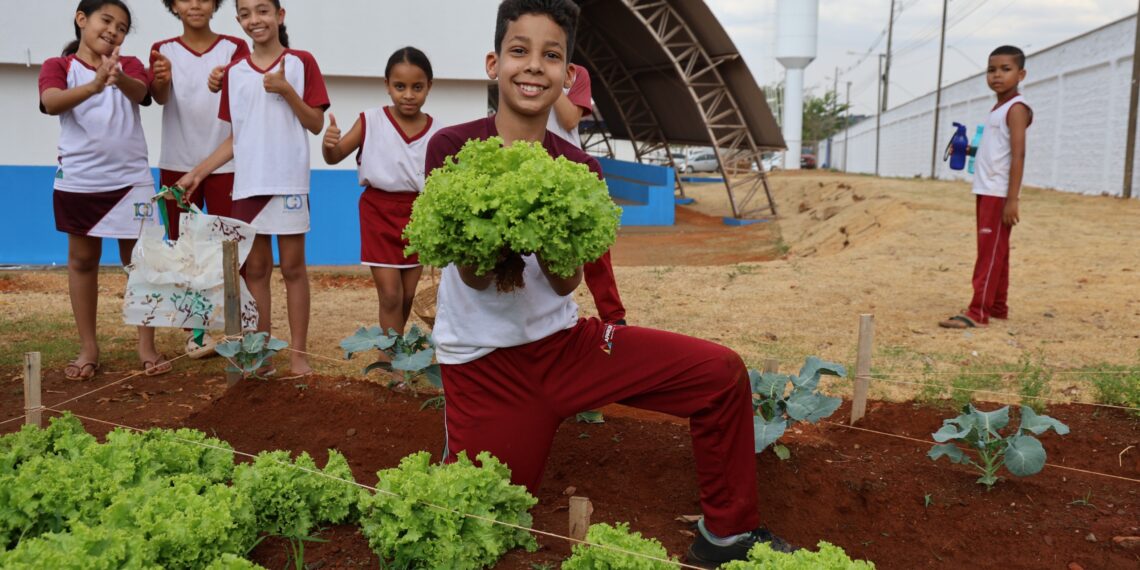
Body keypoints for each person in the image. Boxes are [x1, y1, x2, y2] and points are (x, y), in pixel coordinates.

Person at [425, 1, 792, 566]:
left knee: (719, 375)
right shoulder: (451, 149)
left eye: (551, 56)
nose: (533, 67)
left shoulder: (582, 169)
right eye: (519, 51)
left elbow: (567, 278)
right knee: (481, 526)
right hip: (485, 366)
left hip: (568, 349)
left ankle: (728, 535)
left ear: (568, 77)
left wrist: (546, 226)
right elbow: (473, 279)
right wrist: (505, 225)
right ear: (493, 64)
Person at [175, 0, 329, 378]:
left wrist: (286, 90)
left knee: (293, 269)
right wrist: (198, 172)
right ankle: (261, 356)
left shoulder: (301, 62)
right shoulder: (234, 73)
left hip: (289, 182)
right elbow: (234, 139)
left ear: (280, 15)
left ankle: (297, 356)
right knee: (256, 270)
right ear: (239, 21)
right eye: (245, 13)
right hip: (248, 185)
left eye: (262, 11)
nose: (254, 20)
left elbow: (315, 123)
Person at [39, 0, 171, 381]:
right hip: (80, 182)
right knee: (82, 262)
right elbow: (50, 102)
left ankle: (146, 346)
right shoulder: (59, 67)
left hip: (131, 182)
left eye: (122, 27)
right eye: (106, 20)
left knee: (140, 264)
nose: (113, 30)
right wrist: (94, 84)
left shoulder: (128, 65)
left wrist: (114, 77)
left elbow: (142, 92)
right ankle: (88, 348)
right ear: (82, 19)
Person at [150, 0, 249, 359]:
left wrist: (225, 80)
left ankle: (237, 328)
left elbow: (242, 94)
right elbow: (159, 97)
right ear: (173, 5)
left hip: (226, 162)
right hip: (176, 161)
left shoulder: (234, 47)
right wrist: (161, 80)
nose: (195, 4)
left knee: (229, 249)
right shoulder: (162, 49)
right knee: (184, 249)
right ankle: (197, 332)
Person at [321, 47, 441, 334]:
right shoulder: (369, 121)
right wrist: (328, 144)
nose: (408, 94)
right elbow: (335, 156)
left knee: (408, 296)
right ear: (387, 85)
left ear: (429, 87)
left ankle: (395, 353)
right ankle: (392, 364)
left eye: (417, 87)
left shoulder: (438, 132)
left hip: (418, 216)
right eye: (400, 86)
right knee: (390, 295)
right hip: (379, 212)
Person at [939, 45, 1032, 330]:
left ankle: (978, 312)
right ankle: (997, 307)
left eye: (1006, 69)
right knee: (996, 251)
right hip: (986, 189)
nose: (997, 75)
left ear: (1021, 74)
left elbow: (1018, 155)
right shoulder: (998, 108)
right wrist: (967, 150)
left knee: (988, 253)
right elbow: (997, 151)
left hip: (999, 193)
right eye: (992, 70)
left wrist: (1012, 199)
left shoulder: (1016, 109)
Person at [544, 62, 627, 325]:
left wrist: (552, 77)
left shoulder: (576, 73)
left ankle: (613, 318)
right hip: (536, 168)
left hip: (574, 171)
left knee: (596, 252)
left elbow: (569, 119)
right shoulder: (526, 66)